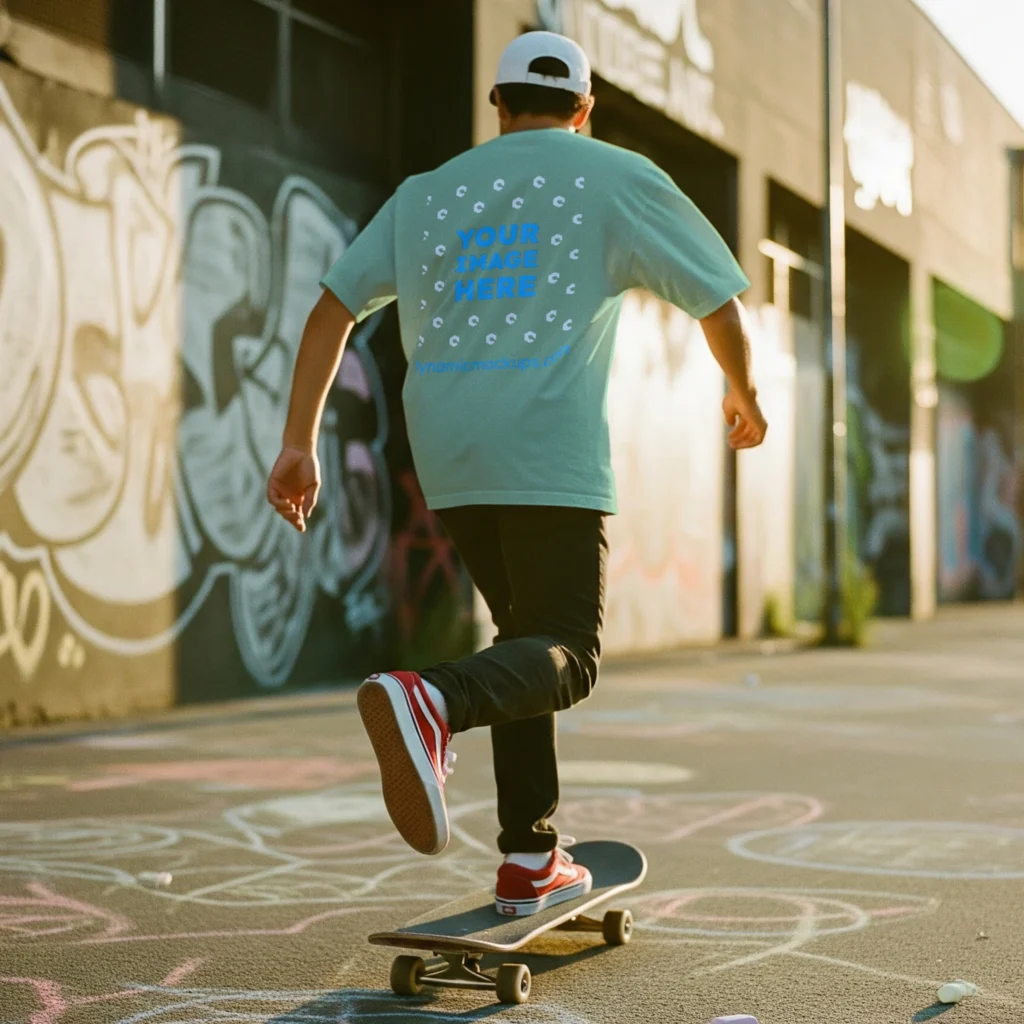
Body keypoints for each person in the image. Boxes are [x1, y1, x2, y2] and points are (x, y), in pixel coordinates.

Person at [267, 30, 767, 917]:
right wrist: (743, 392)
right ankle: (432, 697)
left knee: (525, 640)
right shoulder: (615, 176)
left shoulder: (426, 194)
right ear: (585, 108)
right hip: (545, 449)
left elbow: (331, 310)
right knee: (569, 654)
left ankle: (531, 855)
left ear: (497, 104)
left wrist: (298, 442)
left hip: (449, 451)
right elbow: (718, 300)